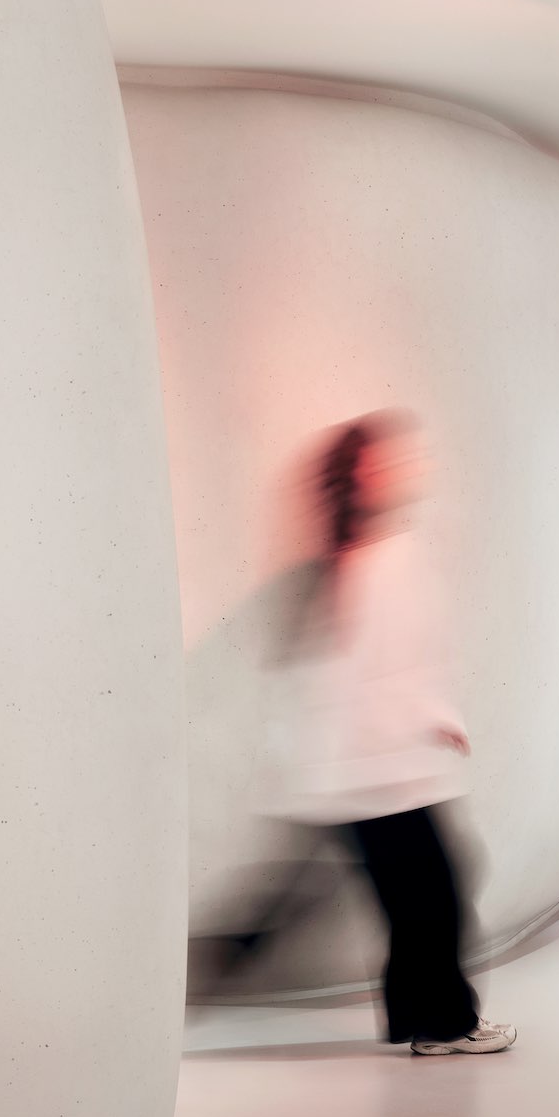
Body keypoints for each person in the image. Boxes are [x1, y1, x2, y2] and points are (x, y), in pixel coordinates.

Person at [221, 411, 514, 1056]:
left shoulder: (359, 559)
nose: (401, 470)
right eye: (383, 463)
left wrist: (431, 720)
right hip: (379, 774)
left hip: (367, 773)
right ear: (357, 480)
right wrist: (428, 721)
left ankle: (419, 1019)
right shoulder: (375, 562)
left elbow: (380, 667)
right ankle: (443, 1025)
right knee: (435, 900)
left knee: (416, 901)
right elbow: (369, 674)